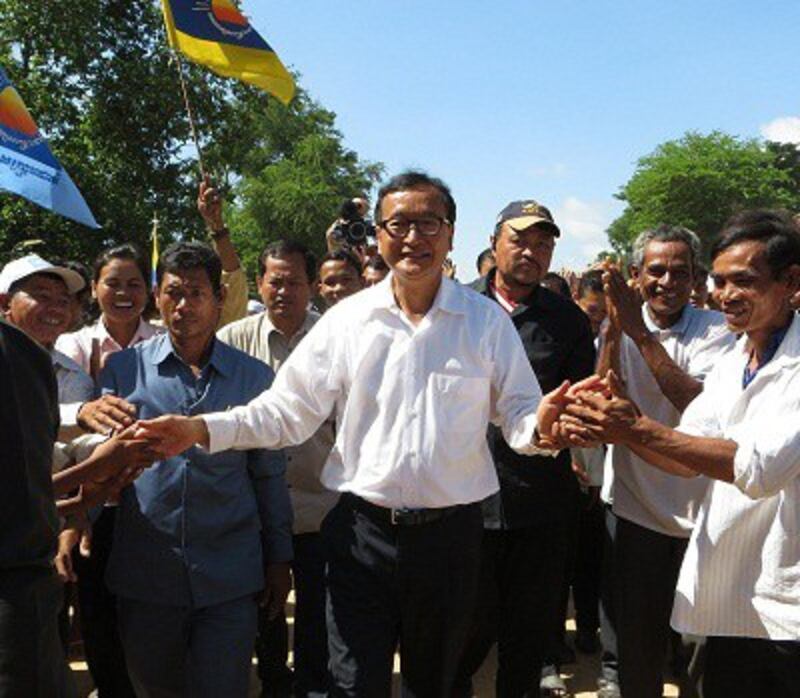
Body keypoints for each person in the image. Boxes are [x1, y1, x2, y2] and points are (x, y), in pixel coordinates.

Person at [135, 171, 587, 697]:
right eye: (399, 224)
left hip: (452, 541)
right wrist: (199, 428)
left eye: (428, 224)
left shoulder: (484, 323)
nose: (414, 237)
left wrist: (542, 427)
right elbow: (285, 413)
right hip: (360, 537)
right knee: (352, 684)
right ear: (377, 234)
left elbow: (517, 417)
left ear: (451, 234)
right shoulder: (347, 321)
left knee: (437, 683)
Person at [563, 209, 800, 697]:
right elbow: (687, 453)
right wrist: (623, 430)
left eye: (744, 281)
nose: (727, 294)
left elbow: (757, 467)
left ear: (791, 282)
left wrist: (637, 426)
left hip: (786, 601)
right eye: (721, 281)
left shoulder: (731, 339)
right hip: (733, 589)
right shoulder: (742, 354)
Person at [97, 241, 293, 698]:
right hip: (147, 575)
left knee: (222, 687)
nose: (183, 306)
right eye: (172, 293)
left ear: (219, 299)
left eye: (196, 293)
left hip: (230, 574)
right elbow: (103, 467)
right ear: (156, 295)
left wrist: (279, 557)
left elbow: (267, 474)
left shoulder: (254, 378)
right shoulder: (122, 370)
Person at [455, 200, 595, 698]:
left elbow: (582, 400)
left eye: (543, 243)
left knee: (526, 640)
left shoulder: (568, 321)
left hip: (540, 506)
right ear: (494, 243)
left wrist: (573, 425)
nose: (532, 252)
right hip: (464, 503)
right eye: (521, 239)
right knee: (463, 637)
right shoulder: (455, 308)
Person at [593, 225, 735, 698]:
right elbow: (602, 393)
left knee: (702, 648)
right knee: (638, 645)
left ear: (696, 279)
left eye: (680, 272)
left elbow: (695, 403)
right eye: (656, 271)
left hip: (705, 515)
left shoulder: (718, 331)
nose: (667, 282)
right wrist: (615, 330)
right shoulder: (619, 323)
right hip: (637, 512)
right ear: (636, 275)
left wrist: (637, 331)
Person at [218, 240, 336, 698]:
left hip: (321, 505)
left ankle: (311, 685)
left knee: (317, 609)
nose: (283, 291)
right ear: (260, 282)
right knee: (263, 607)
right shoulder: (232, 340)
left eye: (294, 281)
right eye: (275, 280)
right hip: (253, 509)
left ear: (311, 286)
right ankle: (272, 680)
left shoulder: (336, 339)